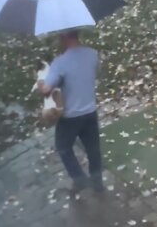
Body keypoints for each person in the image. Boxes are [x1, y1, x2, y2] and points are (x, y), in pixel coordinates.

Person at [37, 30, 104, 194]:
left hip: (71, 117)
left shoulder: (60, 63)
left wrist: (40, 80)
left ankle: (80, 179)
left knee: (63, 147)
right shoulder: (92, 54)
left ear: (63, 37)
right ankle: (98, 184)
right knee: (93, 149)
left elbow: (46, 90)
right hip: (90, 111)